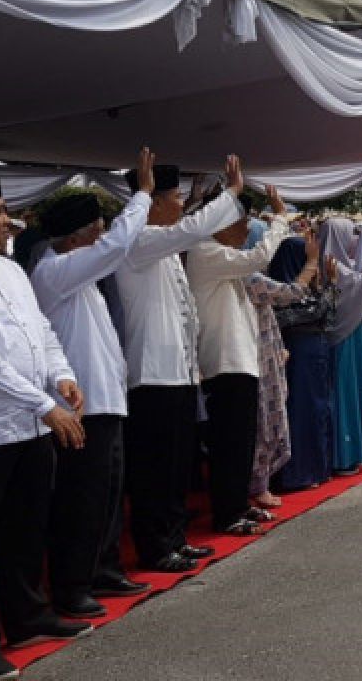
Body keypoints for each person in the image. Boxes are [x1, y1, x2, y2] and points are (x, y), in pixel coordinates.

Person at [0, 170, 94, 681]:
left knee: (26, 525)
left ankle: (27, 617)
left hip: (30, 424)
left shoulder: (9, 270)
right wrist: (42, 404)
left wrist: (61, 376)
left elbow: (40, 331)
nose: (9, 220)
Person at [31, 150, 155, 619]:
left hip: (106, 403)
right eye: (95, 234)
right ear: (75, 240)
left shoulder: (78, 275)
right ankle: (71, 584)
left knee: (104, 495)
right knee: (78, 501)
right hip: (81, 407)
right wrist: (141, 195)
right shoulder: (54, 272)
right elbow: (116, 247)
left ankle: (102, 568)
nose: (102, 241)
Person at [113, 157, 246, 572]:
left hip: (178, 373)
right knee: (154, 467)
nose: (180, 204)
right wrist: (231, 194)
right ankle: (155, 547)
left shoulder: (164, 245)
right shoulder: (139, 242)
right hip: (152, 374)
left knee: (175, 465)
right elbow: (190, 227)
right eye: (172, 197)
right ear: (151, 203)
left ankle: (174, 538)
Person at [186, 185, 290, 535]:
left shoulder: (221, 256)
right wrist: (279, 219)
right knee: (229, 443)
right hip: (224, 364)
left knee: (243, 441)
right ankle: (226, 513)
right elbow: (259, 257)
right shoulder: (206, 252)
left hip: (241, 362)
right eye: (240, 222)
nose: (246, 230)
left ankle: (238, 504)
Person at [244, 230, 320, 511]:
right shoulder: (245, 275)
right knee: (264, 422)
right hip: (259, 356)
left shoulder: (253, 276)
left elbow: (325, 310)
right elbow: (295, 300)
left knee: (278, 419)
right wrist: (311, 266)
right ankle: (260, 484)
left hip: (276, 355)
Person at [270, 237, 338, 491]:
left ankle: (317, 468)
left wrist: (325, 286)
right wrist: (327, 286)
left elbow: (327, 316)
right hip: (297, 353)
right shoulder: (281, 290)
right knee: (300, 412)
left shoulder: (308, 289)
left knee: (318, 411)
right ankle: (297, 474)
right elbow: (308, 312)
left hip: (314, 353)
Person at [318, 218, 362, 474]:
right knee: (346, 394)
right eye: (350, 235)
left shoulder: (343, 266)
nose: (354, 241)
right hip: (344, 340)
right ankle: (345, 456)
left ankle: (358, 450)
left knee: (357, 390)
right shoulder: (332, 266)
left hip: (353, 336)